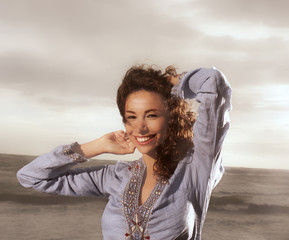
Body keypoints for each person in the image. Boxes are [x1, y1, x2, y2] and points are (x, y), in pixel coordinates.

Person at [17, 64, 232, 240]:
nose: (140, 127)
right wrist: (98, 146)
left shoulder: (197, 168)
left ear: (171, 118)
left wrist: (169, 83)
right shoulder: (115, 176)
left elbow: (213, 82)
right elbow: (31, 177)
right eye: (131, 117)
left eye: (151, 115)